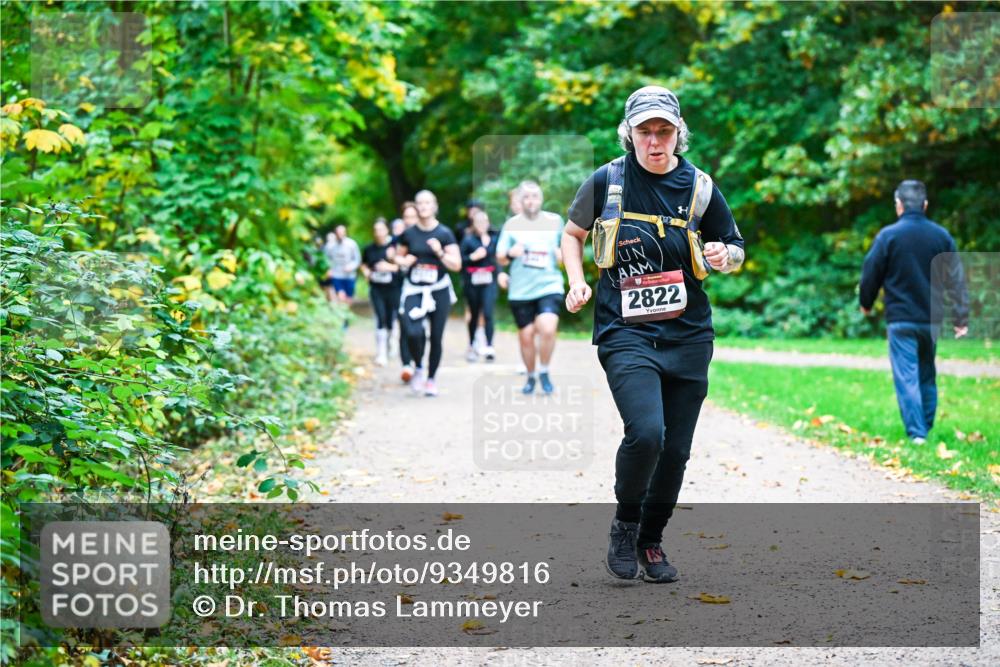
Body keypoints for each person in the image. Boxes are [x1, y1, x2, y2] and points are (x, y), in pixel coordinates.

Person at [561, 85, 745, 583]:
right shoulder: (607, 181)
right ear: (630, 134)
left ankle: (651, 539)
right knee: (647, 433)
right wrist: (577, 282)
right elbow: (573, 234)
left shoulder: (700, 187)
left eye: (664, 131)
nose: (655, 141)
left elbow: (734, 245)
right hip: (626, 331)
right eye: (646, 131)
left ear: (678, 134)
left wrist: (725, 256)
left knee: (677, 448)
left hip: (689, 335)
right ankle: (625, 523)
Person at [859, 179, 969, 445]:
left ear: (898, 205)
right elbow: (956, 278)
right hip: (931, 319)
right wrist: (960, 317)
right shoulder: (942, 236)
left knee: (907, 375)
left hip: (900, 319)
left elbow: (871, 272)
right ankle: (925, 426)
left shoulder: (888, 236)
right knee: (927, 373)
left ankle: (917, 433)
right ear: (925, 205)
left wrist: (867, 302)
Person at [497, 181, 565, 394]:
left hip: (549, 285)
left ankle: (544, 369)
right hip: (521, 290)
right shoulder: (511, 226)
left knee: (548, 328)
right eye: (526, 197)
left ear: (541, 198)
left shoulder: (555, 222)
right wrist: (510, 254)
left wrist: (561, 256)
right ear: (520, 200)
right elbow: (500, 257)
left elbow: (566, 253)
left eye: (534, 196)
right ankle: (530, 375)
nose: (531, 200)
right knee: (526, 336)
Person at [393, 190, 462, 397]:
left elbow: (456, 265)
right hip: (414, 288)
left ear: (434, 206)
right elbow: (397, 258)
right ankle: (419, 368)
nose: (423, 206)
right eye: (419, 203)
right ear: (415, 207)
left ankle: (431, 379)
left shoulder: (444, 233)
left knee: (436, 336)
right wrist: (405, 262)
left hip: (438, 290)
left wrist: (440, 252)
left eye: (427, 203)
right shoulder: (409, 233)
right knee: (413, 331)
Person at [460, 210, 499, 362]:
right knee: (474, 315)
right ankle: (472, 344)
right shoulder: (468, 240)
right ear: (474, 224)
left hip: (489, 281)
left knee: (488, 313)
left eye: (484, 221)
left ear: (488, 223)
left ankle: (489, 346)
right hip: (472, 282)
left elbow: (499, 259)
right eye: (478, 222)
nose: (482, 225)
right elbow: (461, 261)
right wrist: (472, 257)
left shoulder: (494, 239)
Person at [361, 218, 401, 366]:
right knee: (380, 317)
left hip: (392, 288)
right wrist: (366, 272)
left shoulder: (394, 247)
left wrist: (388, 267)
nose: (378, 233)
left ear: (387, 231)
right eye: (376, 230)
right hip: (376, 288)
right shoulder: (369, 248)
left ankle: (392, 342)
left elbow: (401, 267)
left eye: (381, 229)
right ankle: (381, 353)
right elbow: (364, 264)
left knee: (391, 319)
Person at [395, 201, 420, 382]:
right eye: (407, 217)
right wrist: (399, 261)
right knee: (405, 327)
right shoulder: (399, 238)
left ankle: (418, 362)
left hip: (420, 290)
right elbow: (390, 257)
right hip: (398, 287)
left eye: (413, 216)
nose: (410, 220)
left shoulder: (425, 236)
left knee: (418, 330)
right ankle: (406, 365)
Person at [323, 224, 362, 309]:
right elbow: (326, 259)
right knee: (341, 296)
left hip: (350, 276)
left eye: (342, 232)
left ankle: (346, 317)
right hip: (337, 275)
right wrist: (329, 269)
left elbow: (357, 259)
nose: (340, 235)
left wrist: (351, 266)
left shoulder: (352, 244)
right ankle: (343, 316)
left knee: (348, 298)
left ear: (345, 233)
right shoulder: (330, 246)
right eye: (338, 233)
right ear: (335, 233)